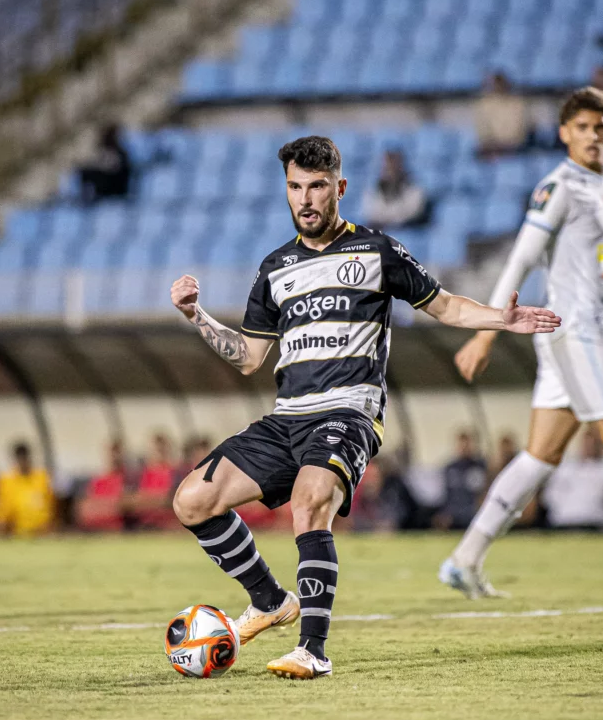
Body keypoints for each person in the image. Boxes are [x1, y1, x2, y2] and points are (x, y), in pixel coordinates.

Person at [169, 135, 560, 678]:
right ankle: (268, 601)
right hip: (288, 415)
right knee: (192, 500)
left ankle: (313, 650)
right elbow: (247, 357)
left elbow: (444, 306)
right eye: (295, 187)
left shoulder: (376, 250)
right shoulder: (274, 268)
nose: (305, 199)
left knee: (308, 501)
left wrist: (502, 319)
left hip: (347, 411)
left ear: (340, 188)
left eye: (317, 187)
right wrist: (197, 316)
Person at [441, 86, 603, 599]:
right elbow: (520, 259)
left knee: (540, 456)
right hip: (581, 338)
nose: (593, 136)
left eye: (601, 128)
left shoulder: (598, 187)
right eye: (582, 127)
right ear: (564, 133)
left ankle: (464, 560)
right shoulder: (559, 188)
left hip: (569, 338)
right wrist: (487, 332)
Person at [542, 427, 603, 532]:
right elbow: (549, 496)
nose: (589, 447)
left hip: (599, 525)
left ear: (601, 445)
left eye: (594, 444)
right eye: (587, 444)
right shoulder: (565, 467)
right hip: (564, 524)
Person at [0, 442, 55, 536]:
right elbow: (2, 511)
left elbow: (53, 506)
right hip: (15, 532)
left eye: (25, 457)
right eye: (20, 458)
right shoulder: (6, 481)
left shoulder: (42, 478)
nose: (23, 461)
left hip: (42, 531)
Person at [434, 431, 487, 531]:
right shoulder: (450, 468)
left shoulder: (481, 467)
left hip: (473, 512)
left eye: (467, 444)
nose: (464, 448)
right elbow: (446, 496)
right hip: (453, 513)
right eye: (462, 444)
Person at [361, 150, 428, 230]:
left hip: (406, 232)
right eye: (387, 166)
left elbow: (413, 213)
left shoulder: (415, 190)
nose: (390, 170)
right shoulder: (372, 191)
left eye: (394, 165)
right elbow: (371, 214)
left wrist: (391, 221)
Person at [76, 439, 130, 532]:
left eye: (117, 452)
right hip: (94, 528)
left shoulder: (129, 479)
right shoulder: (97, 480)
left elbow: (123, 506)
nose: (114, 456)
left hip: (118, 529)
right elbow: (85, 508)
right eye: (111, 452)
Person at [475, 72, 529, 159]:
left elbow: (521, 129)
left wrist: (508, 144)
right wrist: (491, 143)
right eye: (496, 84)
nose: (499, 87)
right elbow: (482, 128)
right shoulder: (485, 103)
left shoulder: (517, 103)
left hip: (514, 148)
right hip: (492, 147)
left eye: (501, 84)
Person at [131, 433, 178, 530]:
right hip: (145, 522)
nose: (159, 452)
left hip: (168, 523)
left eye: (162, 449)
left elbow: (168, 499)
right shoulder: (144, 473)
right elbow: (137, 499)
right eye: (156, 449)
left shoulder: (175, 471)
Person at [79, 124, 132, 203]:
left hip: (115, 186)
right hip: (112, 183)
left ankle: (87, 199)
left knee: (88, 173)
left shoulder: (117, 151)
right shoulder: (115, 150)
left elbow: (111, 167)